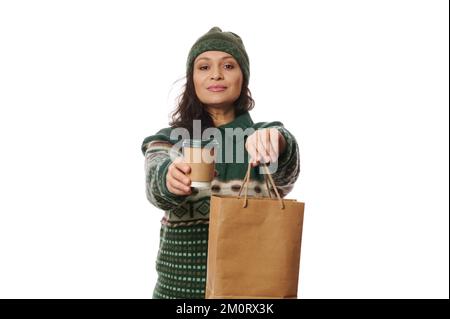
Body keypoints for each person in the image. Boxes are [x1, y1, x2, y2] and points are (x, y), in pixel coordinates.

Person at [141, 26, 300, 299]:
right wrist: (168, 178)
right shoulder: (168, 140)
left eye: (228, 65)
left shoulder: (263, 134)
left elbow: (286, 174)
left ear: (243, 77)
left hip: (251, 294)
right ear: (192, 79)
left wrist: (277, 143)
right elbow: (156, 182)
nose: (216, 74)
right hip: (179, 294)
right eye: (204, 67)